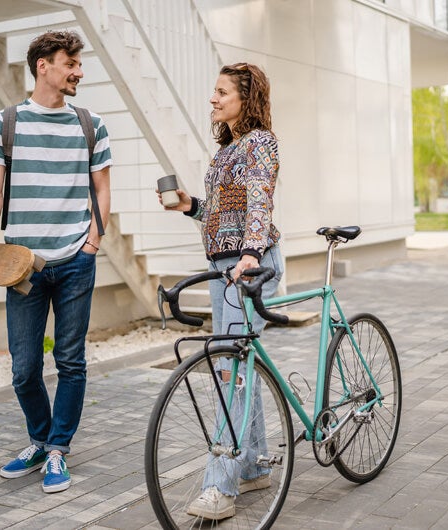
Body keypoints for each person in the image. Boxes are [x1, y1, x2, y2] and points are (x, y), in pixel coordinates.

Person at [0, 30, 112, 494]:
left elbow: (102, 189)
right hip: (23, 267)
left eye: (78, 62)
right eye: (70, 62)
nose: (78, 71)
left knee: (71, 361)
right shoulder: (5, 122)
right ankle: (40, 437)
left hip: (77, 259)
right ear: (43, 66)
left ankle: (56, 449)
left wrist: (93, 242)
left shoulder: (91, 123)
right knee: (24, 366)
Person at [158, 62, 283, 520]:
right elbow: (224, 211)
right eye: (214, 91)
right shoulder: (229, 149)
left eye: (221, 92)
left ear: (245, 99)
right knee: (237, 370)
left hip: (247, 266)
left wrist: (251, 252)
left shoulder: (260, 143)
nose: (212, 98)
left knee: (233, 369)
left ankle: (220, 488)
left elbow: (259, 199)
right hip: (225, 267)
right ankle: (251, 466)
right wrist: (192, 206)